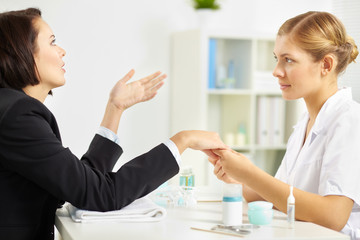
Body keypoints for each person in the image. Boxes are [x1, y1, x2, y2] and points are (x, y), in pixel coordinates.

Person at [0, 8, 227, 240]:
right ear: (22, 53)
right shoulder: (18, 116)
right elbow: (101, 194)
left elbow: (79, 183)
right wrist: (183, 140)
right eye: (52, 42)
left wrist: (115, 108)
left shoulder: (13, 109)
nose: (62, 51)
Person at [209, 11, 360, 240]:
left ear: (326, 65)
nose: (276, 71)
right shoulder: (304, 123)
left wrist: (251, 173)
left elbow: (334, 216)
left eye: (288, 60)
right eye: (276, 58)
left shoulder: (348, 120)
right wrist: (240, 178)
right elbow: (282, 198)